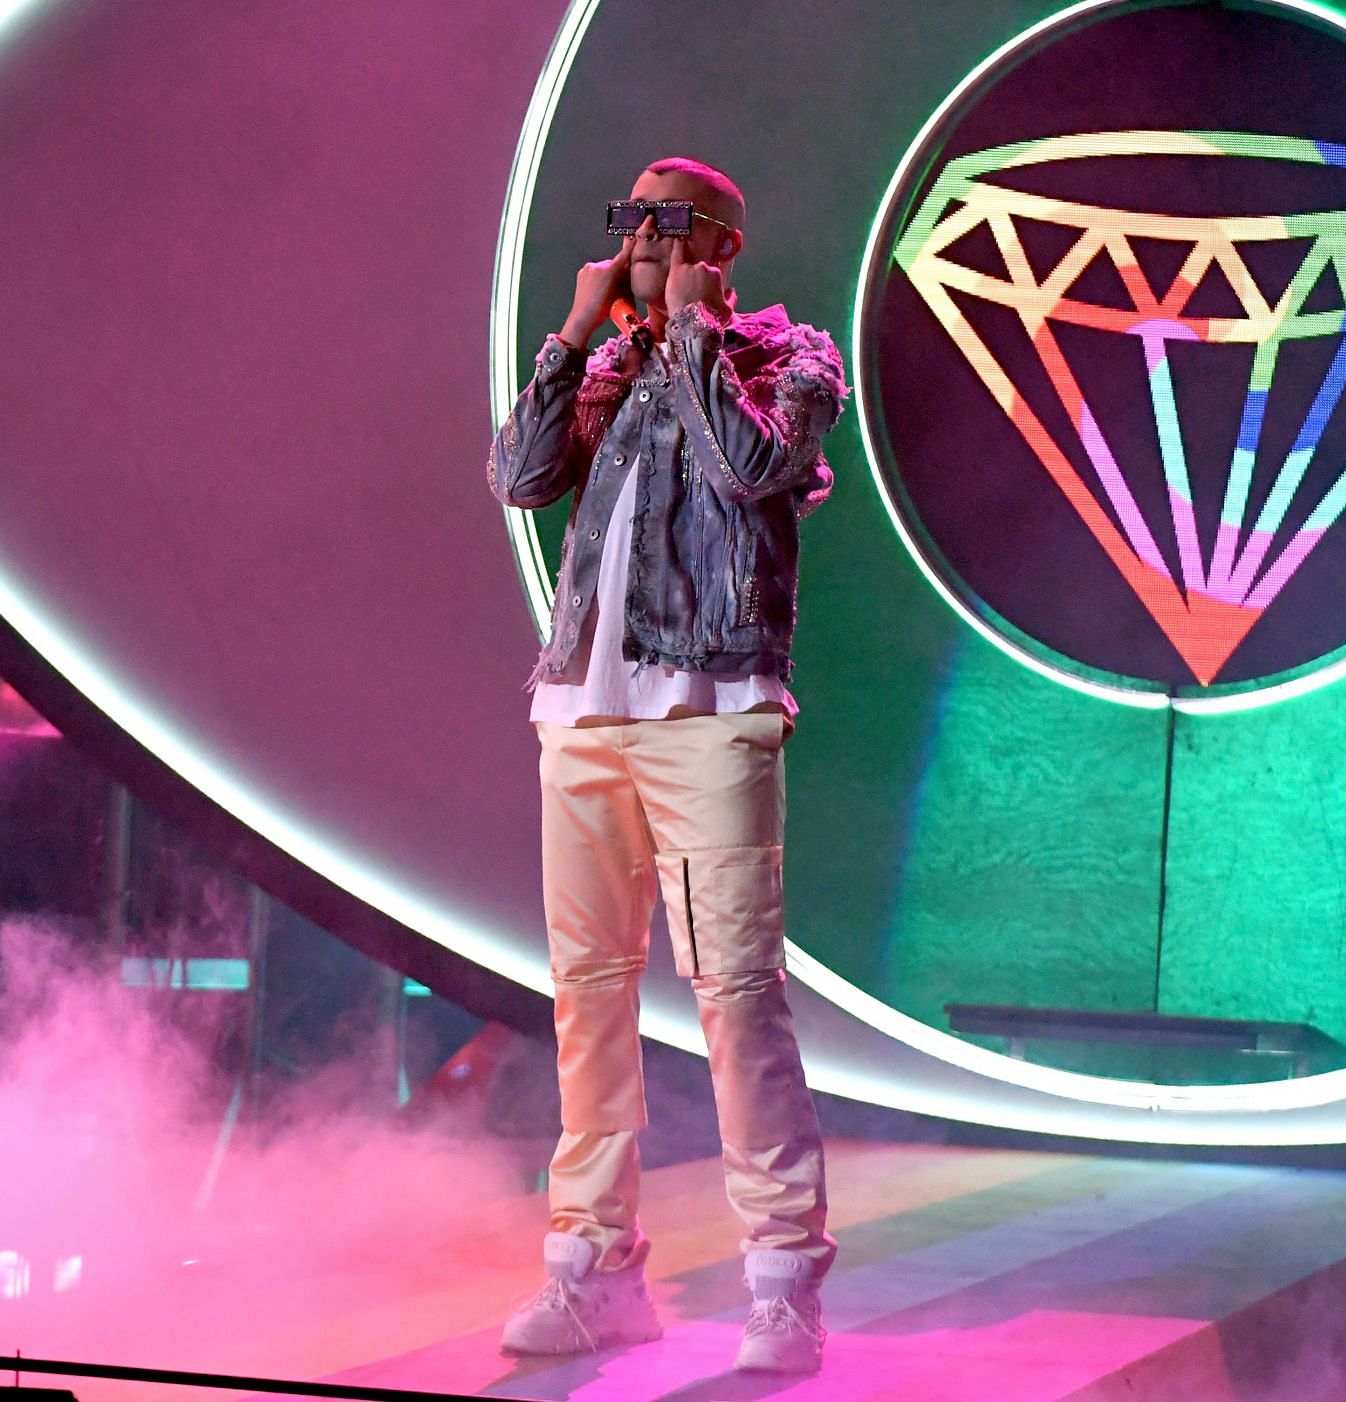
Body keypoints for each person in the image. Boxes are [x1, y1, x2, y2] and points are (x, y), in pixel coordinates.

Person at [485, 156, 845, 1375]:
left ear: (721, 245)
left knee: (737, 994)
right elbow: (521, 476)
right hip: (581, 713)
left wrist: (688, 333)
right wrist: (581, 327)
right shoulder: (607, 362)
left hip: (712, 707)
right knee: (588, 993)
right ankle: (592, 1263)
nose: (639, 236)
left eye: (663, 221)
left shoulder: (787, 357)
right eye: (628, 217)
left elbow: (756, 475)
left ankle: (783, 1280)